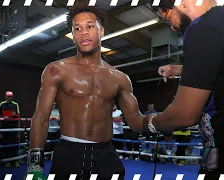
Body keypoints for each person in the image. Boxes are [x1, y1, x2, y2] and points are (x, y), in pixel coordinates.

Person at [27, 1, 153, 180]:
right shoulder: (57, 69)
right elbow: (40, 118)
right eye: (77, 29)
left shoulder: (120, 78)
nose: (83, 32)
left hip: (106, 154)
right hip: (69, 153)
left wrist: (164, 120)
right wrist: (34, 167)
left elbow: (136, 122)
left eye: (89, 26)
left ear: (101, 31)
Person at [149, 0, 224, 179]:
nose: (173, 28)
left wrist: (150, 123)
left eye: (169, 19)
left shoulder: (200, 28)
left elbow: (184, 115)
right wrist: (183, 69)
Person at [0, 91, 21, 168]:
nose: (9, 98)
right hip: (5, 127)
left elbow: (18, 115)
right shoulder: (2, 104)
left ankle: (15, 160)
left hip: (13, 127)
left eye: (11, 96)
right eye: (8, 96)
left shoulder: (15, 104)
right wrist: (4, 118)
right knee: (6, 144)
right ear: (5, 97)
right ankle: (8, 161)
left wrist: (12, 116)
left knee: (15, 144)